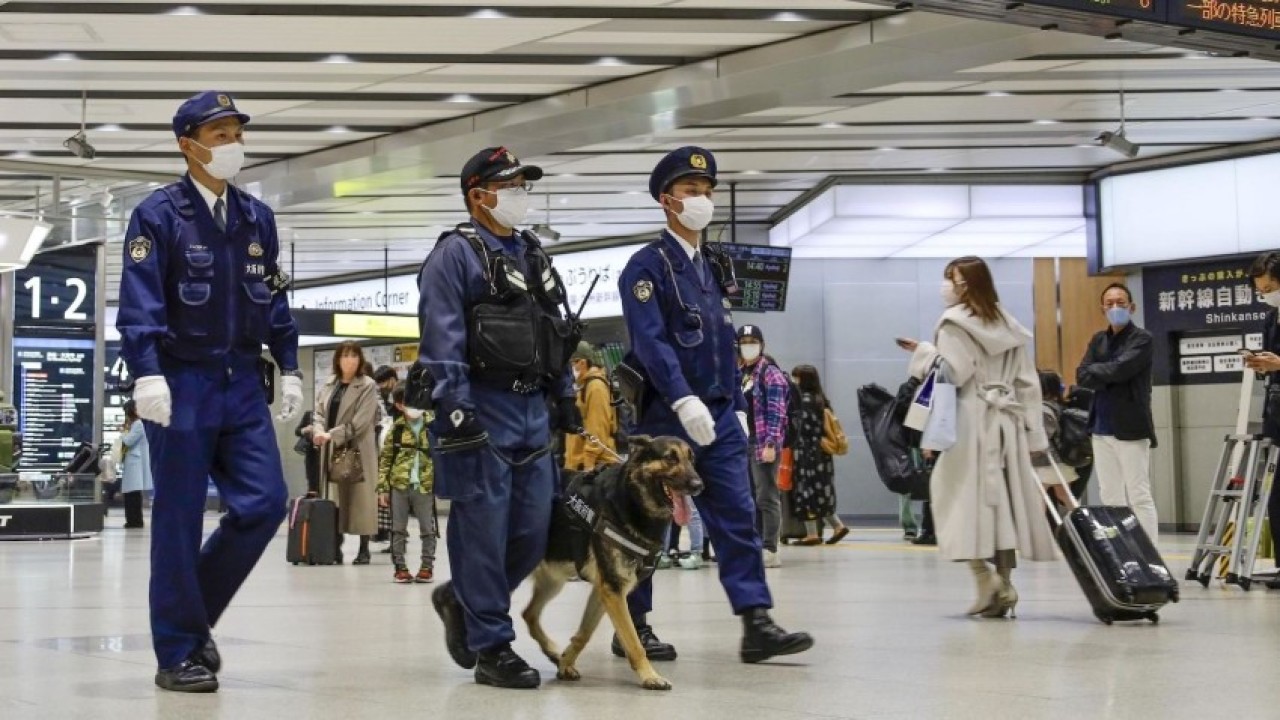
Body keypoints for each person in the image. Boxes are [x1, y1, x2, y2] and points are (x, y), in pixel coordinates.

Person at [116, 90, 303, 693]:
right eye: (219, 135)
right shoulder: (158, 215)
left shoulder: (256, 218)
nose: (232, 145)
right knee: (177, 520)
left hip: (242, 383)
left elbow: (273, 297)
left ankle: (191, 622)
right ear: (187, 144)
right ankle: (177, 653)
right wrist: (146, 373)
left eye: (235, 133)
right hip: (181, 382)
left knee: (264, 503)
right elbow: (139, 303)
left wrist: (292, 365)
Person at [617, 145, 813, 665]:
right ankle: (632, 625)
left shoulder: (711, 266)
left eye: (706, 192)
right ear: (667, 200)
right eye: (691, 192)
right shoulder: (646, 267)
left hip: (722, 416)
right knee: (650, 523)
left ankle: (756, 622)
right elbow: (652, 342)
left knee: (737, 516)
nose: (702, 200)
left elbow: (722, 340)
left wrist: (737, 405)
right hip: (668, 418)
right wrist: (682, 399)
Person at [414, 146, 580, 690]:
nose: (518, 193)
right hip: (480, 408)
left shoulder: (533, 254)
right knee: (482, 534)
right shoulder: (454, 256)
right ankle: (492, 645)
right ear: (477, 194)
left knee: (532, 535)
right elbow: (443, 338)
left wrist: (569, 394)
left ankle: (461, 600)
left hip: (533, 410)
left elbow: (553, 330)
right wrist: (455, 407)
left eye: (521, 184)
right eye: (507, 184)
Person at [898, 256, 1054, 619]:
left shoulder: (954, 325)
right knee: (1003, 504)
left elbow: (953, 373)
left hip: (970, 421)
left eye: (951, 279)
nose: (946, 286)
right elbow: (1028, 383)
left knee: (954, 497)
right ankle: (1005, 583)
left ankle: (984, 580)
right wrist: (1034, 435)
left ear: (967, 284)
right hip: (1008, 423)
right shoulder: (1007, 324)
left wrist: (923, 354)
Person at [1076, 283, 1158, 544]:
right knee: (1110, 496)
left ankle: (1151, 556)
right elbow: (1082, 375)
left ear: (1131, 307)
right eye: (1109, 303)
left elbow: (1121, 370)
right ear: (1102, 308)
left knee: (1138, 494)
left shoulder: (1142, 338)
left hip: (1131, 428)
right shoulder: (1098, 339)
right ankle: (1122, 554)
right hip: (1100, 428)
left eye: (1120, 303)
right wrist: (1107, 372)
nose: (1115, 308)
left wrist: (1101, 371)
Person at [313, 341, 381, 565]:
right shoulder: (329, 384)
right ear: (338, 360)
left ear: (360, 360)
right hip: (330, 446)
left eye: (354, 356)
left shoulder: (368, 385)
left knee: (360, 499)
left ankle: (364, 548)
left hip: (357, 447)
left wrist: (332, 434)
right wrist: (318, 430)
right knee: (334, 498)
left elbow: (361, 422)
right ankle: (335, 547)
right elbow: (319, 413)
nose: (350, 360)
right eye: (345, 356)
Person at [738, 325, 789, 567]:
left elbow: (777, 413)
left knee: (767, 496)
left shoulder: (770, 373)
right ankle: (756, 543)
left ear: (762, 344)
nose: (748, 345)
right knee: (750, 497)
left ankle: (771, 547)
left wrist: (770, 443)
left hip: (762, 442)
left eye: (753, 341)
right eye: (744, 341)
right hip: (744, 442)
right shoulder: (741, 372)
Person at [1243, 251, 1280, 586]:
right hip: (1276, 411)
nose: (1266, 294)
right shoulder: (1271, 318)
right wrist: (1260, 365)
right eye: (1261, 290)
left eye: (1270, 287)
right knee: (1277, 489)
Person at [377, 383, 437, 584]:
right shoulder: (395, 429)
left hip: (424, 484)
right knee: (398, 528)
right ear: (400, 405)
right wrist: (383, 488)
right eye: (407, 402)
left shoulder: (433, 426)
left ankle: (427, 567)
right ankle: (400, 567)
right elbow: (385, 460)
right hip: (399, 485)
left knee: (428, 528)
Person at [789, 365, 850, 546]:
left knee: (806, 491)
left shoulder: (804, 401)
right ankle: (837, 526)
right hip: (821, 454)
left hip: (807, 454)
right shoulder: (820, 399)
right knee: (821, 492)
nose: (794, 381)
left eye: (796, 377)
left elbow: (802, 429)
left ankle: (813, 534)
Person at [564, 341, 618, 472]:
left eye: (570, 364)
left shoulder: (595, 387)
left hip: (594, 466)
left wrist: (589, 463)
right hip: (579, 464)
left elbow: (598, 427)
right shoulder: (582, 387)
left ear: (581, 363)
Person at [1033, 370, 1078, 507]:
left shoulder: (1043, 409)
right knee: (1065, 497)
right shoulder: (1061, 406)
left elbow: (1044, 436)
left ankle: (1039, 529)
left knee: (1038, 502)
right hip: (1064, 461)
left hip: (1047, 463)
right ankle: (1081, 524)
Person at [118, 399, 153, 529]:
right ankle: (132, 520)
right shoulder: (135, 424)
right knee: (131, 494)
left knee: (132, 494)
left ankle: (135, 521)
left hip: (135, 463)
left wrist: (122, 433)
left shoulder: (138, 424)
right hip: (132, 462)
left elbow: (128, 441)